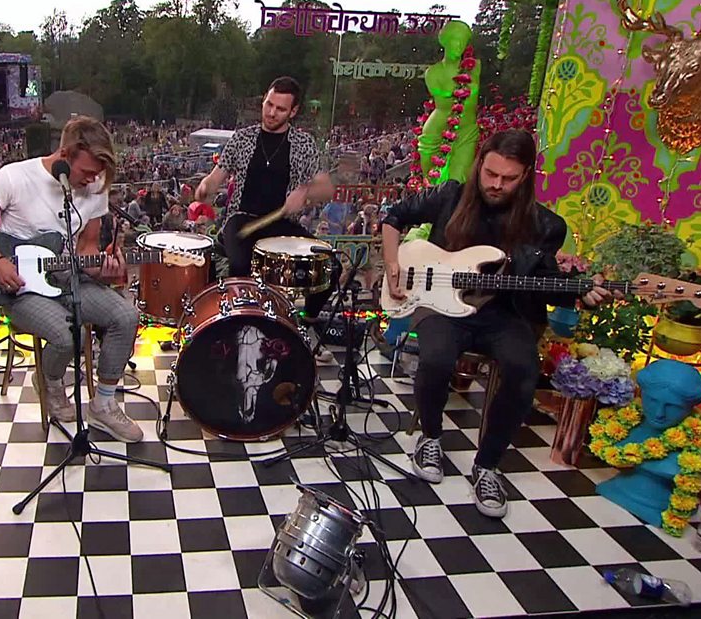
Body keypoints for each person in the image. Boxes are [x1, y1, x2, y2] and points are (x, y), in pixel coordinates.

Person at [380, 129, 618, 519]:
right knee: (436, 357)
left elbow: (543, 282)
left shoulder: (545, 225)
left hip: (504, 314)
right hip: (441, 306)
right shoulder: (450, 196)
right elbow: (394, 217)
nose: (496, 184)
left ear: (525, 176)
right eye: (490, 174)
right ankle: (431, 438)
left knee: (523, 369)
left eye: (508, 178)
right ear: (479, 165)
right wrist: (392, 264)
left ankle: (487, 465)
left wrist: (579, 292)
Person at [0, 117, 143, 442]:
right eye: (87, 172)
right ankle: (51, 382)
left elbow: (86, 248)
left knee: (126, 316)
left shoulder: (96, 184)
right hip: (19, 286)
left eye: (98, 174)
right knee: (68, 336)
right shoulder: (16, 177)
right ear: (65, 154)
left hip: (67, 276)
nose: (93, 180)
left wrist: (105, 270)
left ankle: (103, 404)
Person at [196, 76, 338, 362]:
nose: (271, 113)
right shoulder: (243, 138)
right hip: (242, 219)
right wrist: (205, 187)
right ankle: (238, 335)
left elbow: (327, 188)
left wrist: (305, 192)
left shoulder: (303, 144)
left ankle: (306, 325)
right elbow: (216, 177)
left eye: (280, 109)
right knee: (240, 266)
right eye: (269, 104)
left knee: (330, 266)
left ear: (293, 112)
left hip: (282, 226)